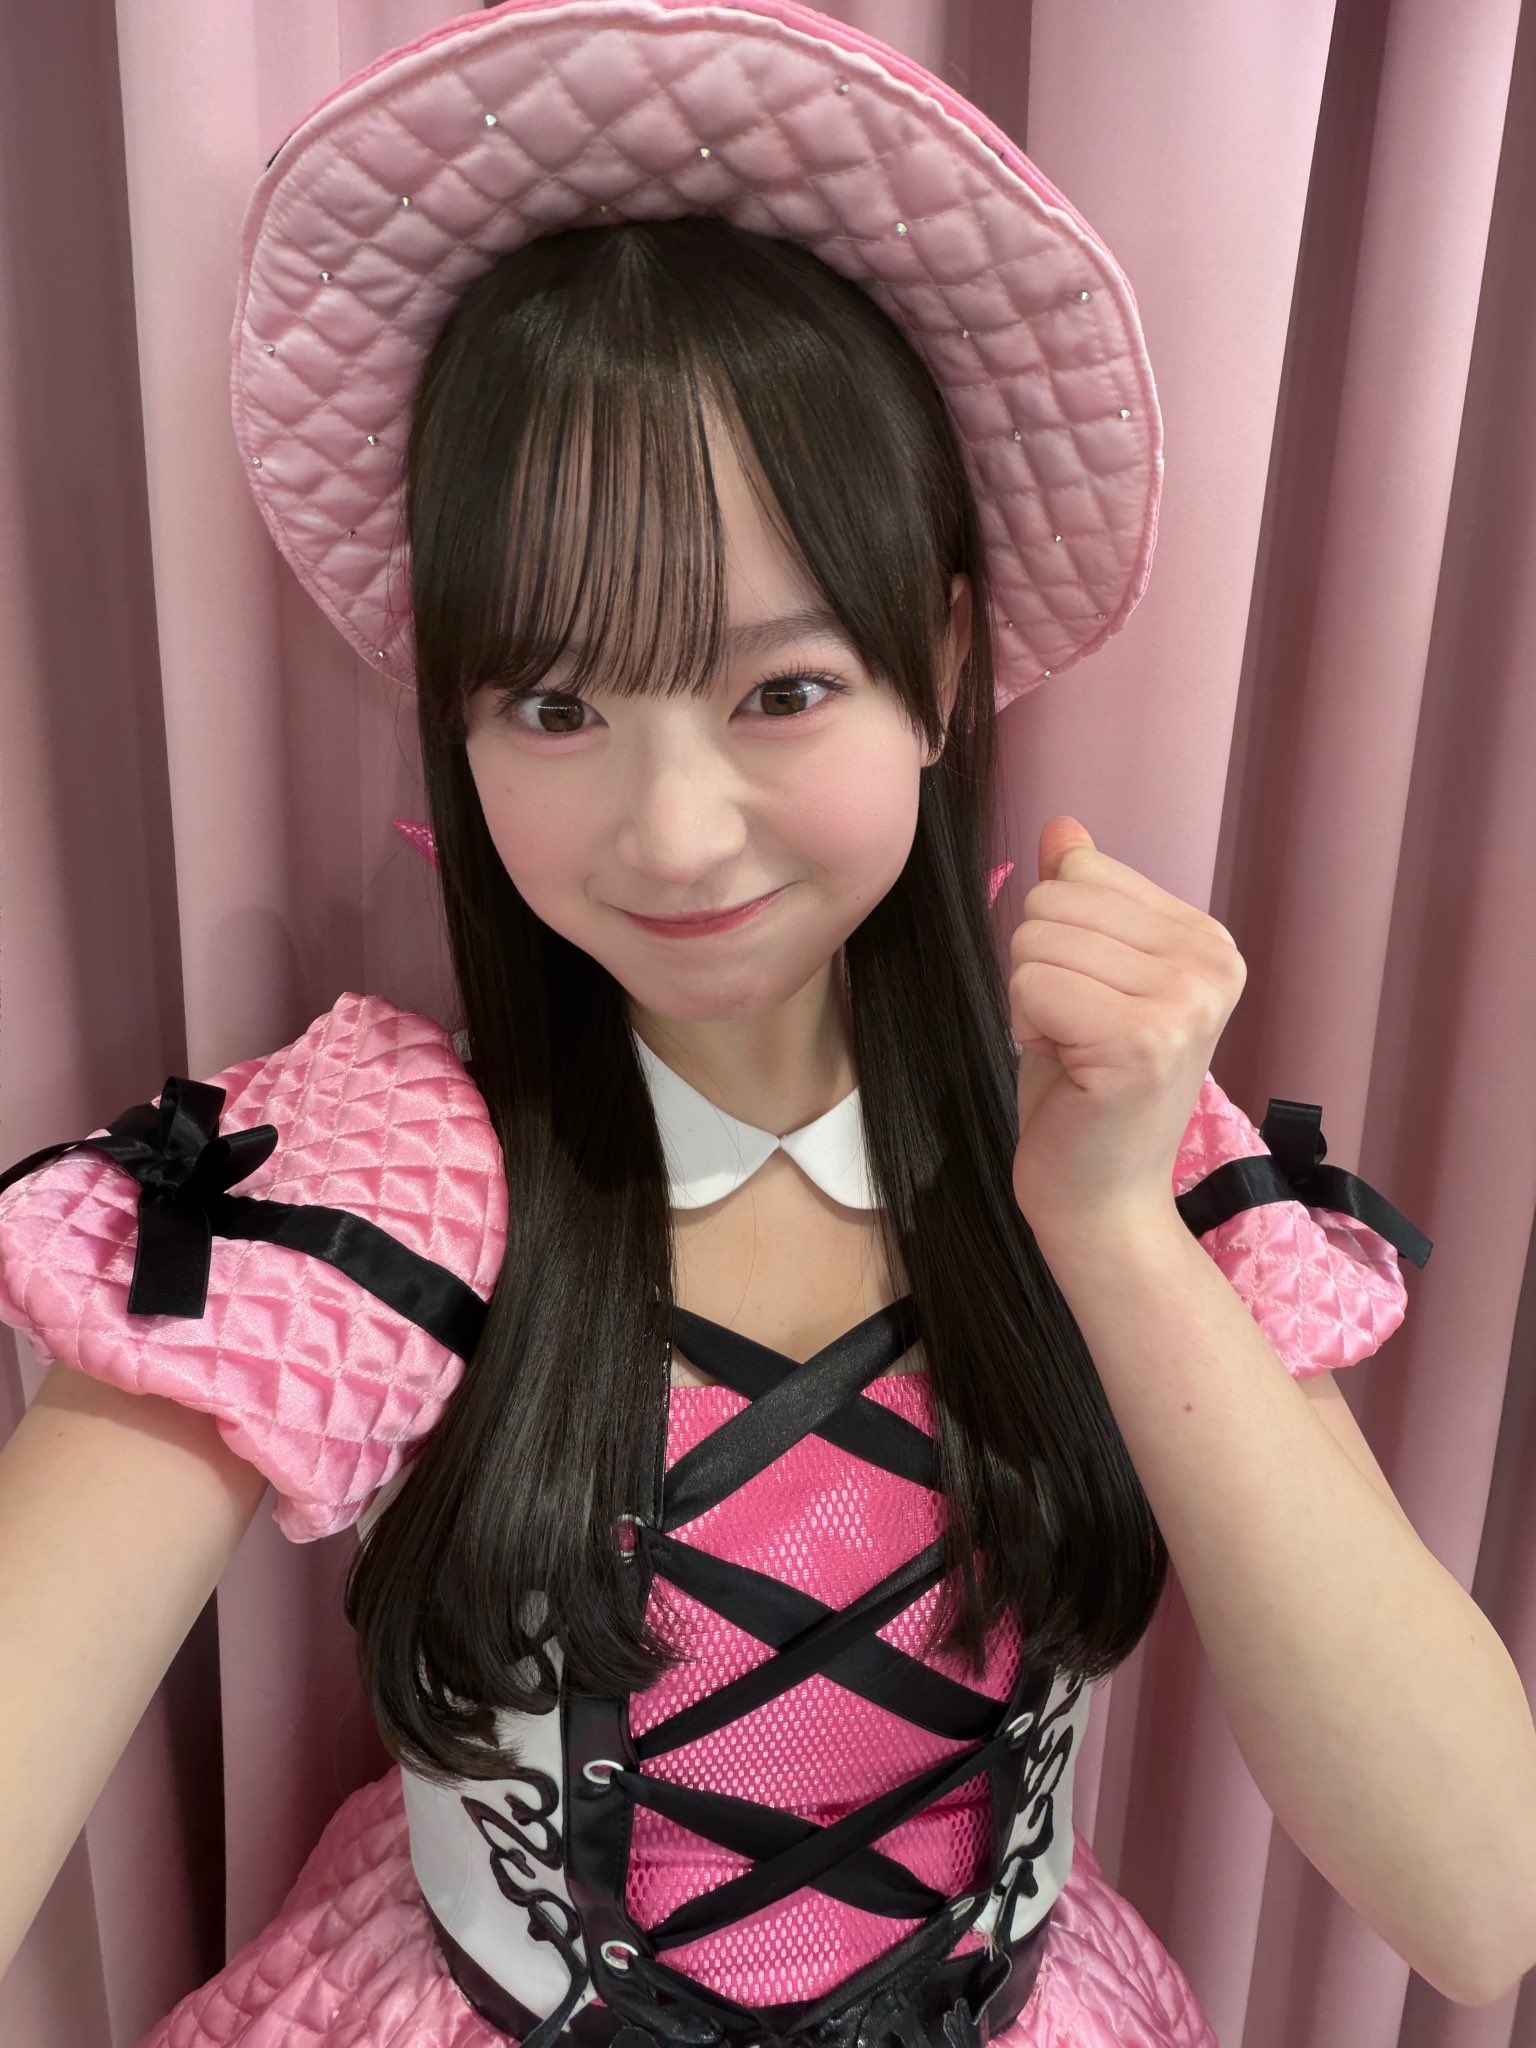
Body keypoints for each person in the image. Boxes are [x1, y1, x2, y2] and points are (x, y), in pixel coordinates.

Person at [0, 3, 1431, 2043]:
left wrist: (1111, 1222)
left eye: (780, 690)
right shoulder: (388, 1177)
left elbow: (1477, 1897)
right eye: (556, 705)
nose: (673, 836)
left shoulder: (1119, 1144)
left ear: (942, 662)